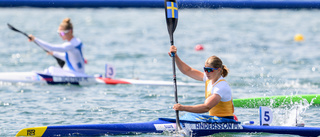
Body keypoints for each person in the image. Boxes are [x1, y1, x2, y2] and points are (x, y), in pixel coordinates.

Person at [169, 45, 234, 119]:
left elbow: (206, 107)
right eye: (205, 69)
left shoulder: (221, 87)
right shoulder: (209, 79)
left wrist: (183, 108)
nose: (206, 72)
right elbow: (188, 70)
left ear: (218, 70)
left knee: (190, 116)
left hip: (225, 121)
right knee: (189, 116)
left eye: (209, 70)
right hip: (215, 119)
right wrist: (175, 57)